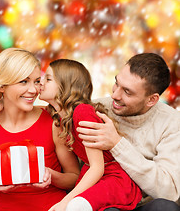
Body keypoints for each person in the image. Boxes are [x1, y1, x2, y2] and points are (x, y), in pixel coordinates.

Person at [0, 48, 80, 211]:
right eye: (24, 81)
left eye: (37, 81)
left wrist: (51, 175)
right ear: (2, 86)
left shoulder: (52, 120)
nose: (33, 90)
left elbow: (74, 177)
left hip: (50, 206)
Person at [75, 53, 180, 211]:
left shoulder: (171, 122)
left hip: (144, 205)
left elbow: (169, 191)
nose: (114, 95)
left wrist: (117, 144)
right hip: (103, 200)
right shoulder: (96, 109)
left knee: (165, 207)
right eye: (116, 83)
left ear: (151, 100)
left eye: (127, 92)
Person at [39, 59, 142, 211]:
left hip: (112, 178)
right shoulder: (59, 116)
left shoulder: (82, 112)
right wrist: (2, 104)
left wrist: (64, 202)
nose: (41, 83)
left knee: (74, 205)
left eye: (48, 79)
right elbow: (25, 110)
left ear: (65, 85)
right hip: (95, 177)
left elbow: (97, 167)